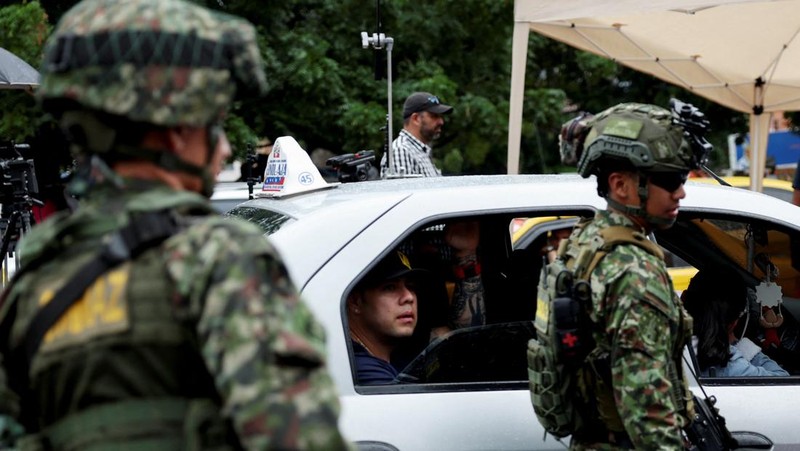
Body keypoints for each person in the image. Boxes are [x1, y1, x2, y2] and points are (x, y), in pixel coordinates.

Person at [0, 0, 350, 449]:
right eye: (214, 124)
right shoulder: (219, 259)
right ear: (174, 129)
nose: (223, 150)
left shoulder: (37, 278)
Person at [538, 102, 705, 449]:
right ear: (621, 185)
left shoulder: (587, 241)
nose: (681, 192)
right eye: (670, 179)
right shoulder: (632, 270)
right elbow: (649, 413)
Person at [347, 222, 485, 385]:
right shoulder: (367, 373)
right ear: (356, 301)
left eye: (411, 287)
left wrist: (466, 254)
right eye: (390, 288)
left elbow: (465, 341)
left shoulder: (391, 347)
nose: (409, 297)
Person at [683, 269, 789, 377]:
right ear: (734, 322)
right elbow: (783, 380)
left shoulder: (672, 346)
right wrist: (743, 347)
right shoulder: (732, 366)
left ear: (683, 298)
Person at [380, 91, 453, 178]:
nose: (441, 121)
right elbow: (406, 191)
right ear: (416, 119)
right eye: (434, 116)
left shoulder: (419, 150)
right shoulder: (401, 151)